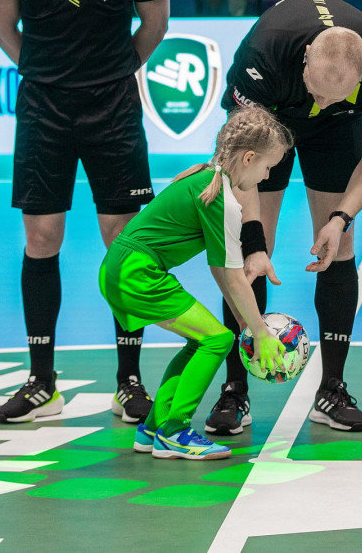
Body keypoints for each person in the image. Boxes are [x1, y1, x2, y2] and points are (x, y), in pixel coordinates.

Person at [0, 0, 170, 425]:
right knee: (42, 240)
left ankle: (129, 380)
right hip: (44, 107)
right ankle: (42, 382)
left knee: (125, 242)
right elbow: (3, 28)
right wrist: (49, 75)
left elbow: (156, 24)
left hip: (114, 107)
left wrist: (113, 73)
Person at [205, 0, 362, 436]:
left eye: (333, 95)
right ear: (307, 56)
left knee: (339, 248)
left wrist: (340, 219)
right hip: (271, 117)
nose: (321, 101)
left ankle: (332, 389)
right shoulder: (263, 55)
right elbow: (241, 167)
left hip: (339, 128)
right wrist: (255, 242)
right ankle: (235, 389)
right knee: (246, 248)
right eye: (316, 90)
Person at [102, 106, 291, 460]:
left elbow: (221, 269)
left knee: (202, 339)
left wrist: (246, 321)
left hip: (125, 268)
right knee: (218, 339)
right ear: (249, 158)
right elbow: (234, 277)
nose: (267, 177)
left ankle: (154, 427)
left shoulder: (210, 178)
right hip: (136, 273)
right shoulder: (221, 199)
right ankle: (175, 432)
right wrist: (261, 332)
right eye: (268, 167)